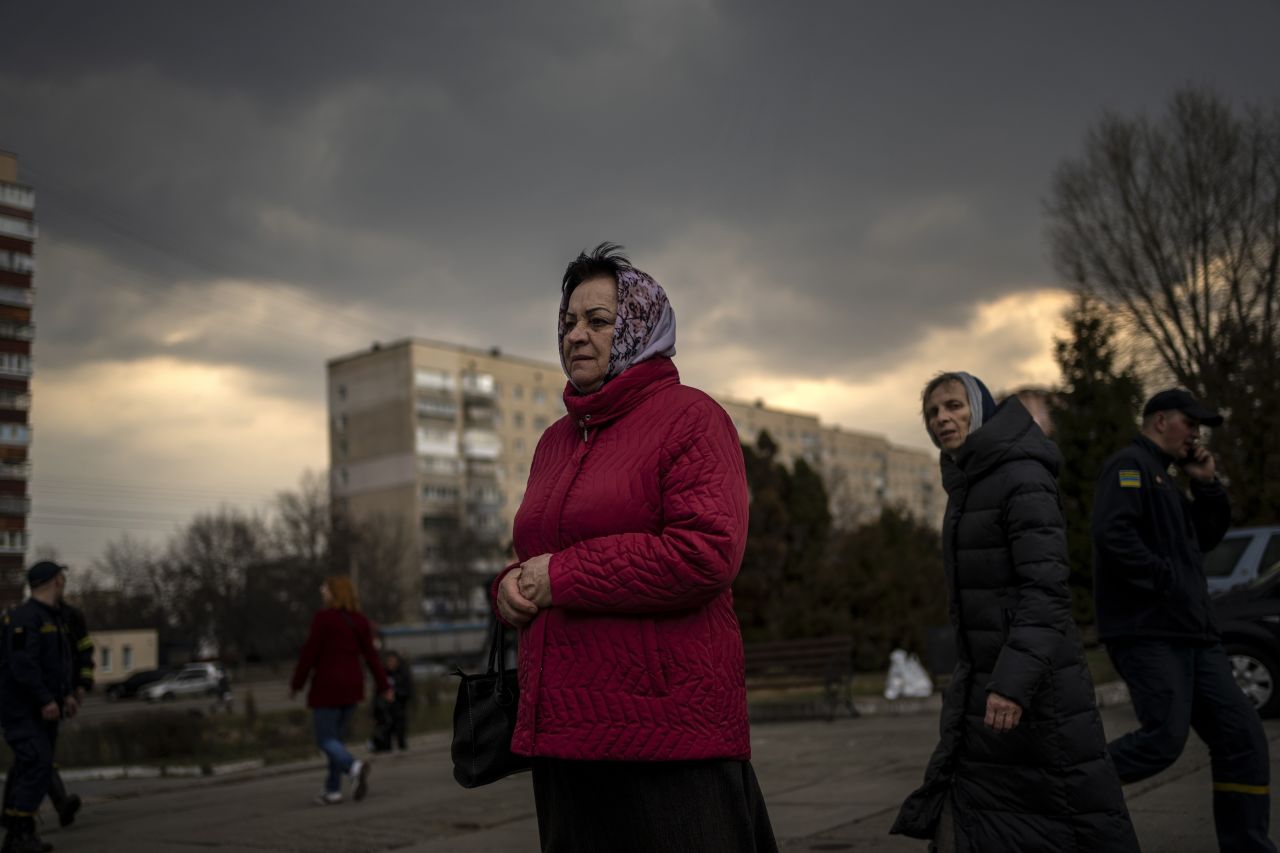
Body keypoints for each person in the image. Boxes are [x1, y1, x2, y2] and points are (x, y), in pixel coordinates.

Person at [493, 243, 777, 853]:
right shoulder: (553, 442)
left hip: (666, 737)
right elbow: (540, 553)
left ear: (640, 327)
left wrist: (561, 578)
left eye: (599, 320)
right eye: (568, 321)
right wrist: (510, 588)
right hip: (564, 737)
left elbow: (706, 552)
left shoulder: (691, 418)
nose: (577, 335)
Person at [892, 372, 1137, 853]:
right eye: (932, 413)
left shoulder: (1020, 476)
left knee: (1071, 814)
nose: (942, 418)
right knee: (976, 817)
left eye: (954, 406)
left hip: (1035, 694)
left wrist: (1012, 682)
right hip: (987, 690)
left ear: (980, 409)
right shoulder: (967, 485)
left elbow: (1044, 591)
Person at [1094, 388, 1276, 852]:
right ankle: (1057, 789)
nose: (1196, 432)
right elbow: (1115, 538)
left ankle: (1248, 847)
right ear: (1159, 421)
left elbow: (1205, 536)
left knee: (1243, 739)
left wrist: (1208, 485)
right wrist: (1169, 580)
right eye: (1189, 422)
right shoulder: (1129, 468)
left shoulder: (1166, 479)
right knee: (1162, 741)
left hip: (1195, 635)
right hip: (1150, 632)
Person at [290, 575, 391, 806]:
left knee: (324, 739)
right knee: (335, 740)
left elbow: (309, 654)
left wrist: (297, 684)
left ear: (335, 593)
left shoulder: (323, 619)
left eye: (325, 589)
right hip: (352, 686)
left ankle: (353, 767)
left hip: (327, 686)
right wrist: (384, 686)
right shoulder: (360, 621)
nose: (322, 592)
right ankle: (332, 790)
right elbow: (372, 657)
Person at [0, 561, 78, 853]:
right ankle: (18, 836)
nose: (64, 581)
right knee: (38, 765)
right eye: (61, 576)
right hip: (21, 709)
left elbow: (60, 663)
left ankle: (18, 830)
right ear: (54, 581)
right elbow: (23, 666)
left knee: (31, 766)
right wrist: (45, 698)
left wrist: (67, 694)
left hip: (45, 708)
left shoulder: (54, 617)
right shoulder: (24, 617)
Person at [371, 651, 411, 753]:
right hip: (385, 711)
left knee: (400, 734)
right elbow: (377, 694)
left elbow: (408, 691)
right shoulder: (383, 675)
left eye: (393, 661)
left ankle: (403, 751)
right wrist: (376, 712)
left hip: (399, 709)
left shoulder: (402, 674)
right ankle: (387, 751)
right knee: (386, 735)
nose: (391, 663)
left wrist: (395, 694)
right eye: (389, 661)